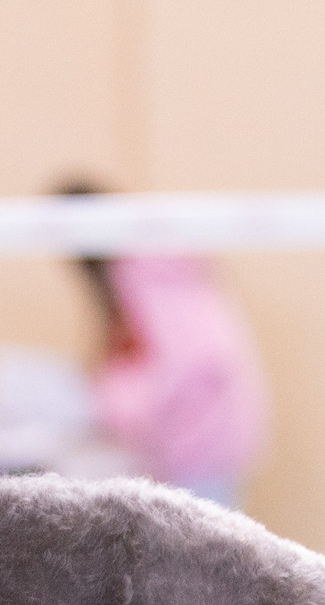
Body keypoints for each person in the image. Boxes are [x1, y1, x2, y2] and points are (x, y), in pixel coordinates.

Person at [62, 182, 269, 508]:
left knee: (203, 533)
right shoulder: (155, 266)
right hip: (199, 440)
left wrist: (113, 405)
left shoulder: (146, 271)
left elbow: (192, 362)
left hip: (200, 441)